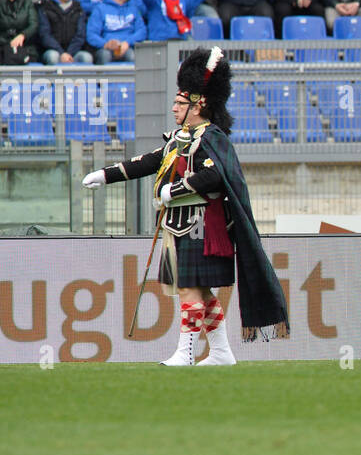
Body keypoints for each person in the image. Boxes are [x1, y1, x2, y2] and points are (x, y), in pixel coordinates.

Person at [81, 47, 289, 366]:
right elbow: (149, 161)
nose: (175, 108)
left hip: (203, 226)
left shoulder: (212, 137)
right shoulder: (180, 137)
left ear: (197, 104)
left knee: (189, 290)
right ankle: (221, 353)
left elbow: (215, 175)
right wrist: (105, 175)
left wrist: (173, 191)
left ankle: (186, 353)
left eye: (180, 103)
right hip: (180, 224)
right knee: (200, 292)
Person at [87, 0, 147, 64]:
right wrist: (106, 44)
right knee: (104, 55)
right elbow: (91, 34)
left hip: (128, 48)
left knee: (132, 55)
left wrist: (127, 43)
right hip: (106, 49)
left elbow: (142, 31)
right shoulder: (100, 9)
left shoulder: (133, 8)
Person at [38, 0, 93, 64]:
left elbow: (80, 35)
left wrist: (69, 53)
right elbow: (45, 35)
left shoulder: (78, 9)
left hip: (73, 52)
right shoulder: (45, 9)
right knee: (53, 56)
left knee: (86, 57)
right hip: (54, 51)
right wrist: (61, 53)